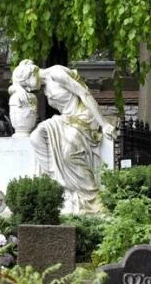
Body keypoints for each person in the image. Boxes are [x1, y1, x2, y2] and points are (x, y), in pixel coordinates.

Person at [11, 59, 116, 213]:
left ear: (31, 74)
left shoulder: (57, 73)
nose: (28, 89)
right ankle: (57, 179)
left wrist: (104, 123)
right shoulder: (45, 87)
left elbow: (84, 94)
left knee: (68, 152)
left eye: (26, 84)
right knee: (36, 137)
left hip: (83, 118)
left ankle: (92, 196)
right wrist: (18, 87)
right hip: (66, 120)